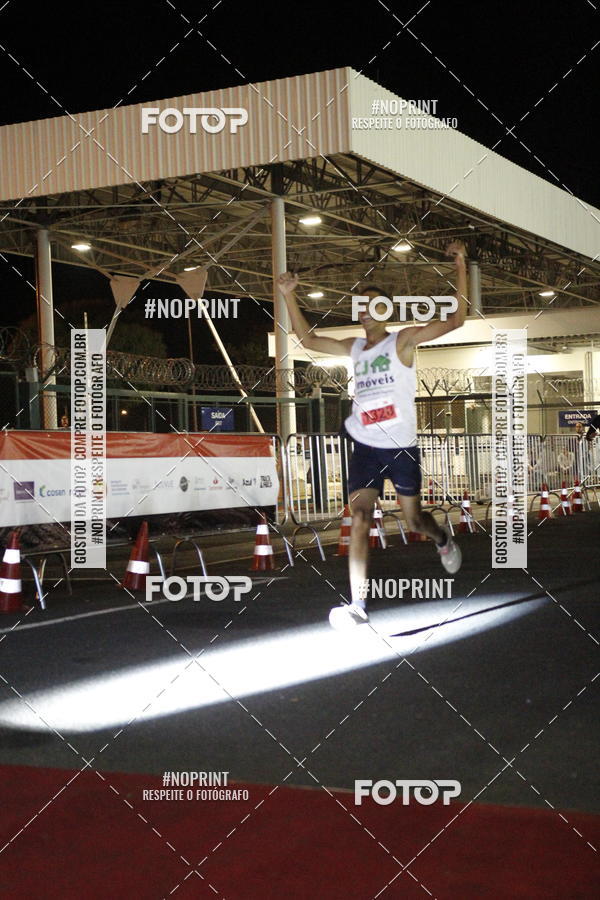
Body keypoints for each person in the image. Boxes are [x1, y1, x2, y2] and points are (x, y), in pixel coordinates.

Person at [278, 241, 468, 628]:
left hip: (400, 447)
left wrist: (461, 265)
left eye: (372, 305)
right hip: (364, 443)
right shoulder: (356, 347)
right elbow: (309, 340)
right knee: (360, 517)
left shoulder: (404, 340)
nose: (365, 311)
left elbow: (456, 320)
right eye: (360, 306)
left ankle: (442, 539)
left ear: (386, 311)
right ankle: (358, 605)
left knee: (414, 521)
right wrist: (288, 296)